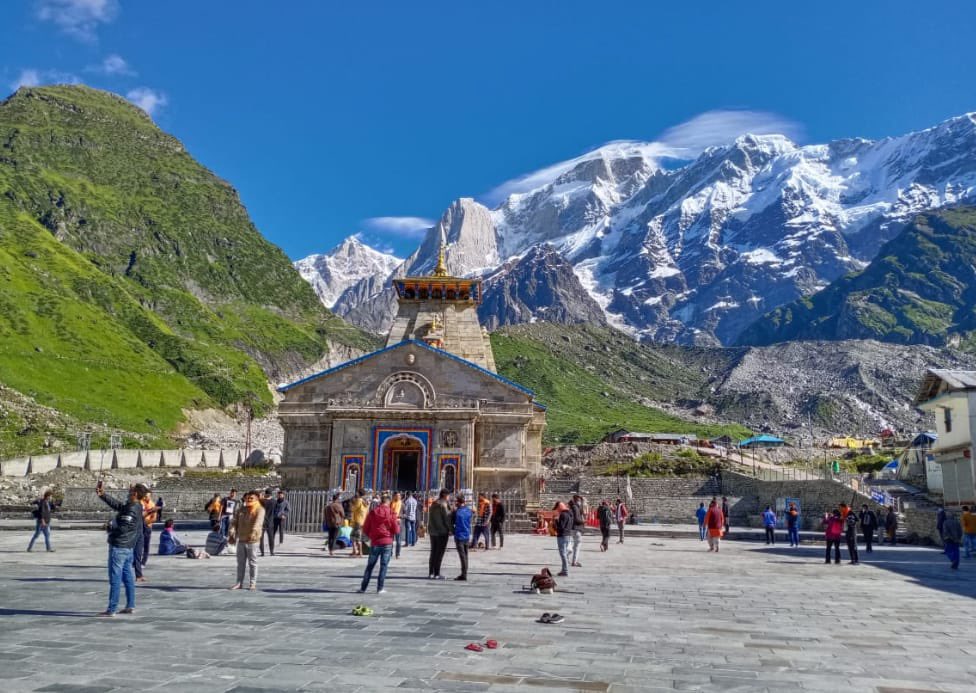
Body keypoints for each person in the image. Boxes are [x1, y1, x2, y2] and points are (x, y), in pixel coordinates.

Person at [96, 482, 147, 617]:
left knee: (115, 578)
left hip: (119, 547)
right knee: (128, 577)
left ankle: (112, 609)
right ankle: (130, 605)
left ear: (135, 494)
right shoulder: (135, 506)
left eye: (130, 491)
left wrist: (108, 527)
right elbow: (118, 506)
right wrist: (103, 495)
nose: (128, 493)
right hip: (128, 548)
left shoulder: (131, 509)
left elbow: (124, 527)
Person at [358, 493, 400, 593]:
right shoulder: (391, 513)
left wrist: (371, 536)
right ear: (389, 502)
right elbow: (396, 530)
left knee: (370, 566)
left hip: (375, 542)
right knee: (384, 566)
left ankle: (363, 588)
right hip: (387, 542)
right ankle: (380, 588)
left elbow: (365, 528)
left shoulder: (373, 513)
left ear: (381, 501)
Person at [228, 490, 265, 590]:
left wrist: (253, 533)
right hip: (241, 539)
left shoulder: (260, 510)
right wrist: (232, 533)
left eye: (251, 498)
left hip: (252, 540)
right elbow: (234, 521)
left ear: (257, 499)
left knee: (252, 562)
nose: (249, 500)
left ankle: (252, 583)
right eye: (247, 498)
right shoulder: (241, 509)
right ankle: (239, 583)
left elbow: (258, 523)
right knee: (240, 563)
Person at [133, 491, 158, 583]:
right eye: (145, 496)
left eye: (147, 496)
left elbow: (154, 518)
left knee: (145, 546)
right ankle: (136, 566)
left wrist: (145, 523)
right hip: (139, 527)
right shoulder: (140, 503)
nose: (146, 497)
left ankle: (143, 563)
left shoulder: (152, 504)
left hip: (147, 527)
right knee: (136, 547)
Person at [427, 489, 451, 579]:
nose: (449, 497)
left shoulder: (434, 504)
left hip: (433, 531)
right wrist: (451, 529)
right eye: (448, 495)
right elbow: (447, 519)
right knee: (439, 553)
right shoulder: (443, 505)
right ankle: (437, 573)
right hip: (442, 532)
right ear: (444, 495)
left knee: (433, 552)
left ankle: (431, 572)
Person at [451, 494, 474, 581]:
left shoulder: (457, 512)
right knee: (465, 555)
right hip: (467, 535)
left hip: (459, 535)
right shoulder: (468, 511)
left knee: (462, 556)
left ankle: (464, 575)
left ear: (458, 502)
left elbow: (452, 521)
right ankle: (464, 573)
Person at [554, 501, 573, 576]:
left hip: (562, 535)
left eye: (557, 509)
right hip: (567, 534)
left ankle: (565, 570)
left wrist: (556, 521)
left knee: (563, 554)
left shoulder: (563, 515)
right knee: (564, 553)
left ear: (559, 507)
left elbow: (561, 527)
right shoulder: (570, 513)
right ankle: (564, 569)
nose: (557, 511)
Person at [350, 489, 369, 557]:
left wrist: (352, 503)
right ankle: (356, 551)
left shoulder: (359, 500)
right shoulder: (365, 502)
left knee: (353, 536)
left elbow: (353, 509)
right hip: (362, 521)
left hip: (357, 521)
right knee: (358, 536)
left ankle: (358, 552)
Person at [569, 494, 586, 567]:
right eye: (579, 500)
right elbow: (576, 519)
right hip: (576, 528)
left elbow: (581, 512)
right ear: (576, 500)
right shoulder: (575, 507)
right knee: (577, 545)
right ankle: (574, 561)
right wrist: (583, 522)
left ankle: (571, 558)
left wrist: (583, 502)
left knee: (576, 545)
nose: (580, 501)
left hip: (575, 529)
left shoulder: (576, 507)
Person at [260, 489, 276, 557]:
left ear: (265, 494)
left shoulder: (262, 501)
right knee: (271, 537)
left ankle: (262, 552)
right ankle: (271, 552)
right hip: (270, 521)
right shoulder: (274, 502)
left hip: (262, 521)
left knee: (261, 538)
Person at [390, 491, 403, 559]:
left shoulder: (402, 504)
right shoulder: (391, 503)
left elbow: (405, 513)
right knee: (390, 539)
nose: (398, 497)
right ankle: (390, 553)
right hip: (391, 522)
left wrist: (400, 517)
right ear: (394, 496)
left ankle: (397, 554)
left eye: (399, 495)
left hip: (398, 522)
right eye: (397, 495)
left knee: (398, 540)